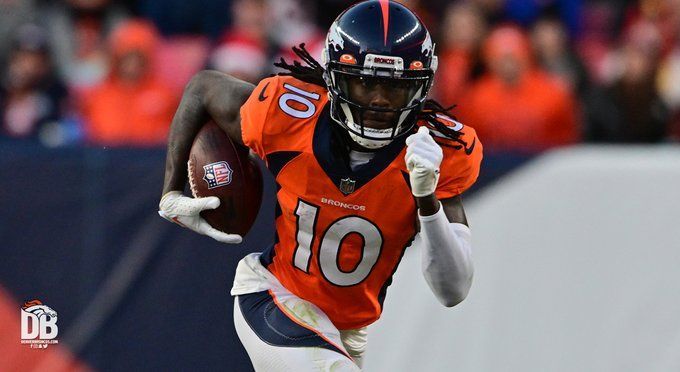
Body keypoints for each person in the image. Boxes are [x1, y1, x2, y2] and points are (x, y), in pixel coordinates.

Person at [158, 1, 482, 370]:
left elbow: (453, 290)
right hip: (272, 295)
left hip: (347, 331)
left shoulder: (437, 152)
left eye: (394, 88)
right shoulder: (287, 115)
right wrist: (170, 192)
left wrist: (427, 198)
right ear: (334, 77)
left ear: (420, 87)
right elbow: (203, 87)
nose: (378, 100)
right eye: (363, 83)